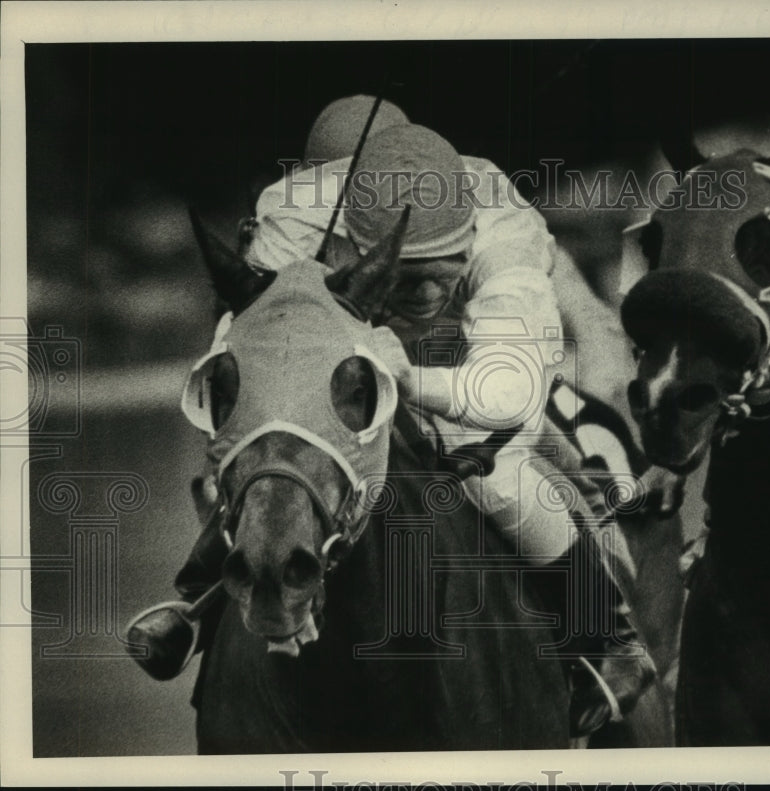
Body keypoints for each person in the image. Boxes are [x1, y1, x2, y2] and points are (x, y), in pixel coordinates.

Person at [137, 112, 655, 736]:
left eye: (440, 272)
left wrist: (406, 378)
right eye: (404, 276)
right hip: (342, 348)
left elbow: (507, 392)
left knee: (499, 476)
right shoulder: (298, 215)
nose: (422, 294)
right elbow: (244, 341)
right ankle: (198, 600)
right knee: (266, 458)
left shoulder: (505, 229)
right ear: (353, 229)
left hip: (469, 361)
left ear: (468, 240)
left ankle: (610, 634)